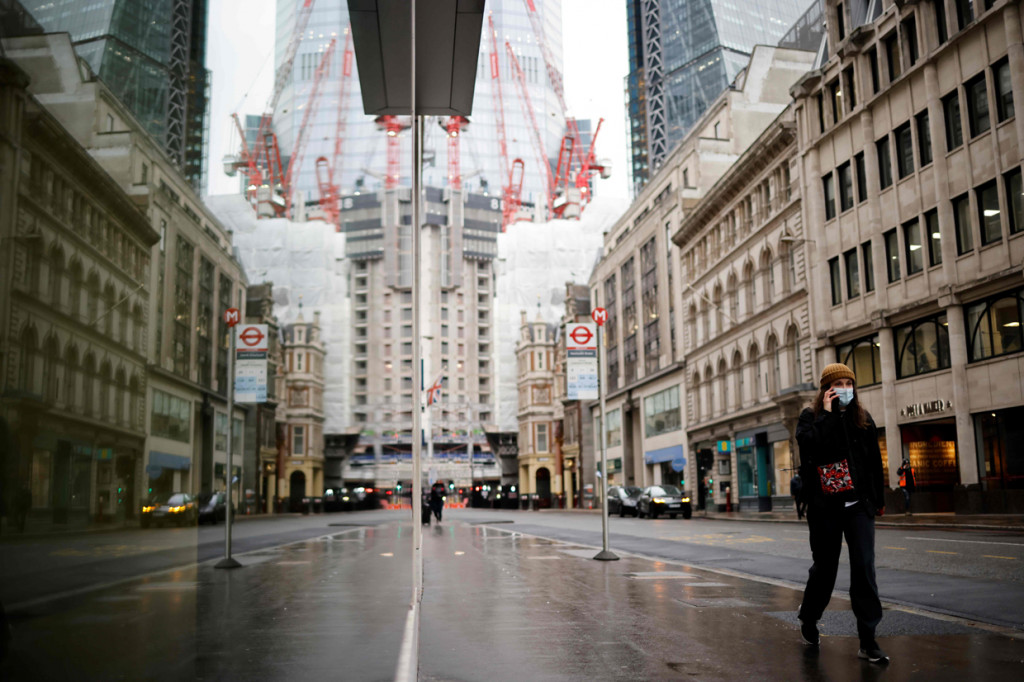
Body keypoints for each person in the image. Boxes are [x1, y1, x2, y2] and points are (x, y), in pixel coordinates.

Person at [795, 363, 889, 665]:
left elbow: (874, 460)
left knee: (864, 568)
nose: (845, 388)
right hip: (825, 507)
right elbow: (811, 447)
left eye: (850, 383)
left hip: (859, 505)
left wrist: (878, 499)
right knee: (825, 569)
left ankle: (868, 639)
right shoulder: (811, 418)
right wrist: (829, 415)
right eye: (839, 384)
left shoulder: (863, 418)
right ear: (826, 389)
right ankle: (809, 618)